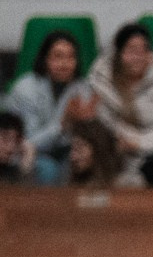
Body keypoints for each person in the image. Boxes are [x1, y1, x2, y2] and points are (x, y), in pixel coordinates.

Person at [79, 23, 153, 187]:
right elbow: (104, 124)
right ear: (118, 54)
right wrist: (123, 140)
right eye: (131, 50)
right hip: (116, 151)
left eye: (143, 50)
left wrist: (137, 142)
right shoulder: (101, 79)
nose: (138, 57)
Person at [3, 29, 88, 185]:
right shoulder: (26, 88)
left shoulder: (81, 88)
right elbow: (29, 142)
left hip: (63, 152)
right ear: (45, 59)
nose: (65, 64)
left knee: (80, 164)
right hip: (22, 154)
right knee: (49, 169)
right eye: (58, 56)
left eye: (71, 57)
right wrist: (62, 124)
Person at [63, 120, 124, 189]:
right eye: (72, 149)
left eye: (79, 149)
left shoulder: (125, 187)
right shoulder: (68, 187)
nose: (72, 157)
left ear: (98, 149)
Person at [0, 112, 35, 185]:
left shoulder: (11, 172)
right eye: (5, 138)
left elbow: (25, 193)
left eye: (16, 141)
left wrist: (28, 157)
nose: (11, 148)